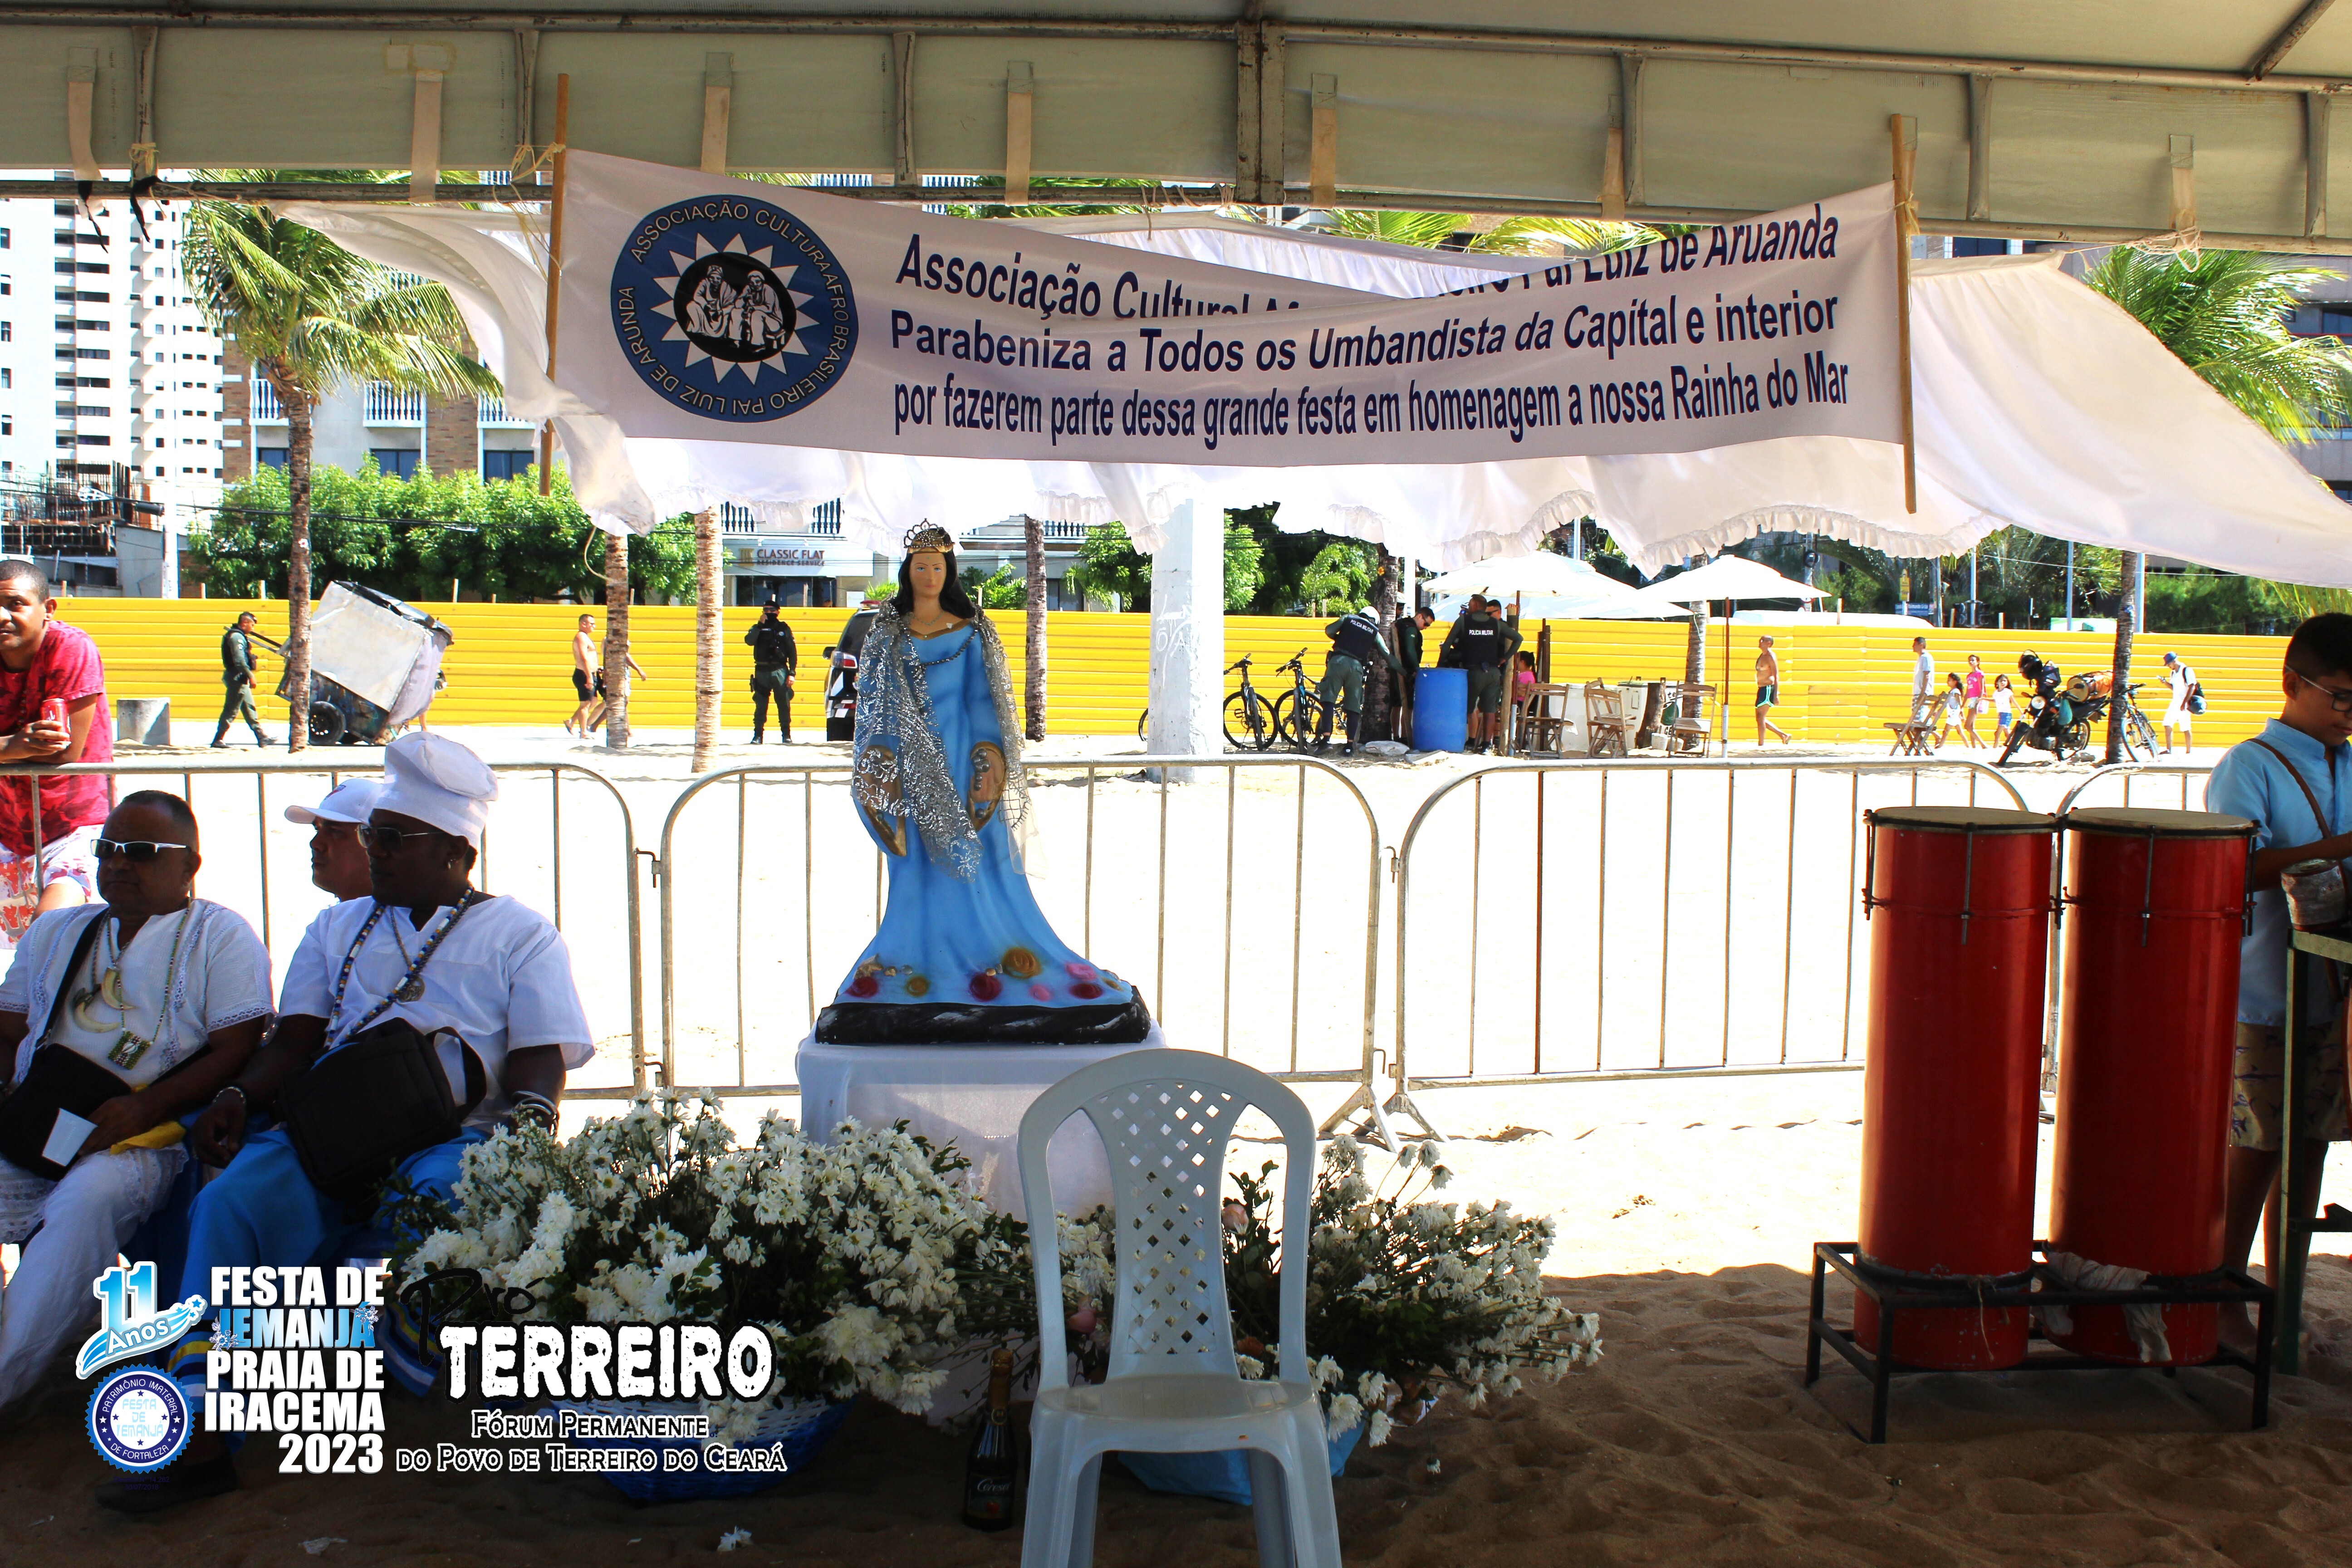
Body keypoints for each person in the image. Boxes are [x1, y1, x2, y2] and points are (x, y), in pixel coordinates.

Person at [102, 733, 592, 1512]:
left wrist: (529, 1133)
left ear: (456, 853)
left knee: (439, 1196)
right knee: (228, 1203)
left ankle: (399, 1358)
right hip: (334, 1129)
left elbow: (539, 1060)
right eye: (373, 836)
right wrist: (239, 1097)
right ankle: (202, 1432)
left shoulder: (519, 933)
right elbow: (293, 1044)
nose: (376, 852)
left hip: (459, 1136)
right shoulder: (337, 928)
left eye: (394, 838)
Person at [813, 523, 1149, 1046]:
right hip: (911, 775)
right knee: (916, 870)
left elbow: (983, 704)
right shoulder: (887, 633)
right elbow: (874, 711)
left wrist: (989, 765)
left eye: (937, 567)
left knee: (981, 865)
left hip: (965, 769)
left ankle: (990, 959)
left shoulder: (971, 631)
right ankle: (917, 959)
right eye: (920, 567)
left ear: (949, 573)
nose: (929, 575)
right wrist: (879, 771)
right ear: (907, 572)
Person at [0, 792, 272, 1415]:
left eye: (142, 852)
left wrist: (145, 1110)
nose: (119, 864)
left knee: (86, 1202)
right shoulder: (58, 930)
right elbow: (7, 1028)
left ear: (189, 866)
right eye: (108, 849)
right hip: (38, 1121)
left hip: (143, 1138)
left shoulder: (220, 934)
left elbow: (237, 1047)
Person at [2204, 613, 2352, 1354]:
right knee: (2256, 1147)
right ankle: (2224, 1295)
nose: (2348, 714)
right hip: (2264, 991)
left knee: (2311, 1145)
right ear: (2292, 683)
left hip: (2335, 992)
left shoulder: (2349, 763)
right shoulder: (2249, 766)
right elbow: (2231, 868)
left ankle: (2284, 1299)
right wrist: (2340, 847)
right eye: (2340, 697)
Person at [0, 562, 114, 948]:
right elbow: (31, 747)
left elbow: (63, 751)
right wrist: (13, 745)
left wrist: (10, 748)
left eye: (15, 604)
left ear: (47, 609)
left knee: (48, 938)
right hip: (8, 829)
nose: (2, 616)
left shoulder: (71, 647)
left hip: (74, 825)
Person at [1317, 603, 1403, 755]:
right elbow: (1388, 657)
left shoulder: (1348, 619)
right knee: (1353, 707)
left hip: (1337, 662)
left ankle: (1326, 741)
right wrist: (1405, 673)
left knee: (1329, 701)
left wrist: (1341, 638)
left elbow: (1329, 631)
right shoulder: (1374, 632)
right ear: (1375, 621)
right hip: (1356, 668)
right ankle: (1349, 747)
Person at [1440, 595, 1521, 754]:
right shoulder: (1496, 624)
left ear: (1476, 605)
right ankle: (1486, 746)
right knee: (1490, 710)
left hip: (1473, 672)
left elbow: (1447, 645)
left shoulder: (1463, 621)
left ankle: (1468, 741)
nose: (1469, 606)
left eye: (1470, 604)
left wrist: (1441, 665)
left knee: (1469, 707)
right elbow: (1518, 639)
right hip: (1492, 672)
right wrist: (1506, 658)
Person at [283, 776, 384, 903]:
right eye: (317, 829)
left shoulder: (400, 916)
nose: (315, 844)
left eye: (336, 831)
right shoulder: (333, 916)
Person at [569, 615, 648, 738]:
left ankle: (573, 722)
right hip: (584, 674)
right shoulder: (581, 637)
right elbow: (584, 658)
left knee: (593, 701)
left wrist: (596, 670)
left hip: (592, 673)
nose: (594, 626)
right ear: (584, 624)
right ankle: (584, 731)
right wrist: (589, 676)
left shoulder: (585, 637)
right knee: (586, 704)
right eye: (592, 624)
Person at [211, 611, 275, 749]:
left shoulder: (239, 636)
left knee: (249, 709)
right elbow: (239, 661)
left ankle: (262, 737)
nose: (253, 628)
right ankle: (218, 739)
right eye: (252, 625)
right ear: (245, 623)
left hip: (240, 679)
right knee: (231, 710)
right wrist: (251, 676)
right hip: (237, 679)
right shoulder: (237, 637)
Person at [745, 597, 799, 745]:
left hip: (779, 670)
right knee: (761, 705)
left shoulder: (783, 628)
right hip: (762, 671)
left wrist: (792, 673)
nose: (769, 613)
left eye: (772, 610)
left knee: (784, 704)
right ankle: (758, 736)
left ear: (778, 612)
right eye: (766, 610)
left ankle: (786, 735)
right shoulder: (757, 628)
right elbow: (749, 641)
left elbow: (792, 652)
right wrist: (759, 625)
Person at [1393, 605, 1431, 743]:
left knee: (1396, 705)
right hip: (1407, 671)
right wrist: (1416, 669)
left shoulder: (1401, 624)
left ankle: (1396, 736)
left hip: (1395, 668)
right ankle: (1405, 736)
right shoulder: (1411, 629)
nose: (1425, 628)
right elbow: (1410, 650)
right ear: (1420, 616)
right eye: (1426, 624)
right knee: (1408, 706)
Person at [1753, 636, 1792, 746]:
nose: (1760, 642)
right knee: (1759, 718)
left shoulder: (1771, 656)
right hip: (1761, 688)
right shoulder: (1762, 655)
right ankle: (1783, 735)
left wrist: (1776, 695)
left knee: (1761, 717)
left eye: (1763, 641)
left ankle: (1761, 744)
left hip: (1768, 688)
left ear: (1769, 643)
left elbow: (1776, 676)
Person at [2163, 650, 2200, 755]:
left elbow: (2192, 686)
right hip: (2175, 702)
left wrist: (2185, 703)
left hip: (2184, 703)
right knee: (2167, 723)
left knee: (2186, 727)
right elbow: (2174, 688)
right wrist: (2165, 683)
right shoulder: (2173, 673)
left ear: (2174, 662)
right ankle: (2169, 749)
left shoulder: (2186, 670)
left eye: (2169, 664)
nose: (2168, 666)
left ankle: (2188, 751)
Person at [1960, 653, 1989, 749]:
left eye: (1973, 660)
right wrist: (1962, 705)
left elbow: (1982, 689)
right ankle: (1974, 747)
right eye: (1970, 660)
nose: (1971, 662)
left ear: (1978, 662)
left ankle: (1983, 744)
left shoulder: (1980, 674)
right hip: (1971, 699)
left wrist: (1979, 700)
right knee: (1971, 726)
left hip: (1977, 699)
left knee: (1967, 726)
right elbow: (1968, 691)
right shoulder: (1969, 676)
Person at [1935, 673, 1967, 748]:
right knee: (1960, 732)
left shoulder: (1956, 691)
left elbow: (1960, 703)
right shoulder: (1952, 692)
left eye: (1949, 680)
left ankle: (1940, 745)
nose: (1948, 682)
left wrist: (1962, 714)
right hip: (1953, 713)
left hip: (1954, 714)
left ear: (1955, 682)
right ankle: (1968, 746)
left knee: (1946, 731)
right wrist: (1939, 711)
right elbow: (1946, 704)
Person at [1910, 636, 1935, 723]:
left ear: (1921, 645)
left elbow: (1926, 676)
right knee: (1916, 717)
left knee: (1920, 719)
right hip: (1918, 692)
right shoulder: (1921, 658)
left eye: (1915, 645)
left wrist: (1922, 694)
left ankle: (1927, 730)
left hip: (1922, 693)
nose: (1913, 647)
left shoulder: (1926, 657)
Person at [1992, 672, 2016, 738]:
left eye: (2005, 681)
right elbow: (1995, 701)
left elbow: (2014, 702)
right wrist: (1984, 699)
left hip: (2006, 714)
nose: (2003, 682)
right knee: (2007, 733)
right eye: (2001, 681)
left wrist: (2022, 712)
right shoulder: (1996, 692)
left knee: (1997, 733)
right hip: (2001, 714)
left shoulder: (2008, 692)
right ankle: (2012, 743)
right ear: (1997, 683)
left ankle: (1996, 745)